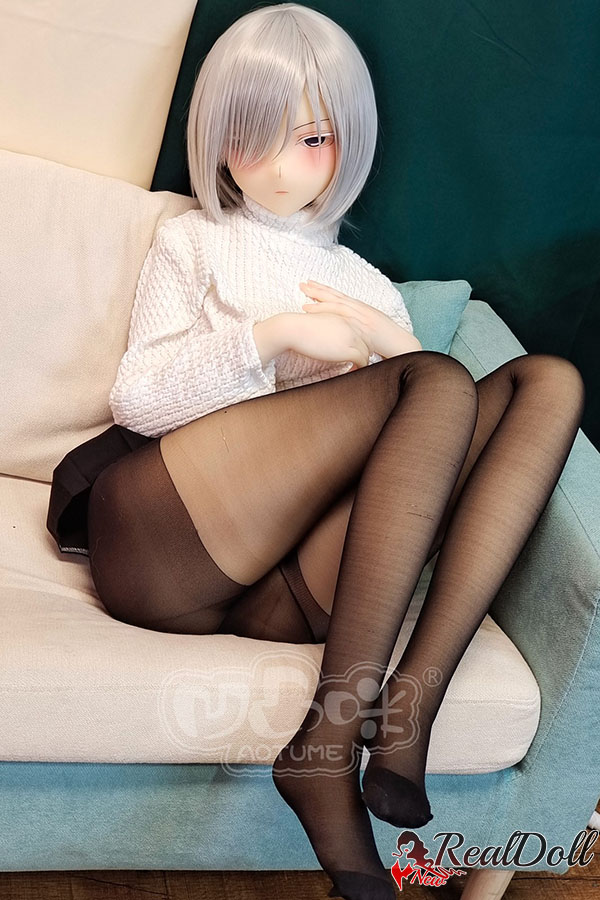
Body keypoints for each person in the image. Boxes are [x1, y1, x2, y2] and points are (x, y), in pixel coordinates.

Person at [47, 5, 585, 899]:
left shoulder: (369, 289)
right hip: (165, 545)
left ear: (348, 142)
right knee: (436, 381)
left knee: (548, 382)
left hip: (284, 591)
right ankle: (330, 746)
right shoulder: (194, 239)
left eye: (308, 138)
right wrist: (271, 337)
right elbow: (138, 399)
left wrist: (388, 342)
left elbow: (417, 470)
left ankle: (405, 706)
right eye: (249, 135)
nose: (276, 165)